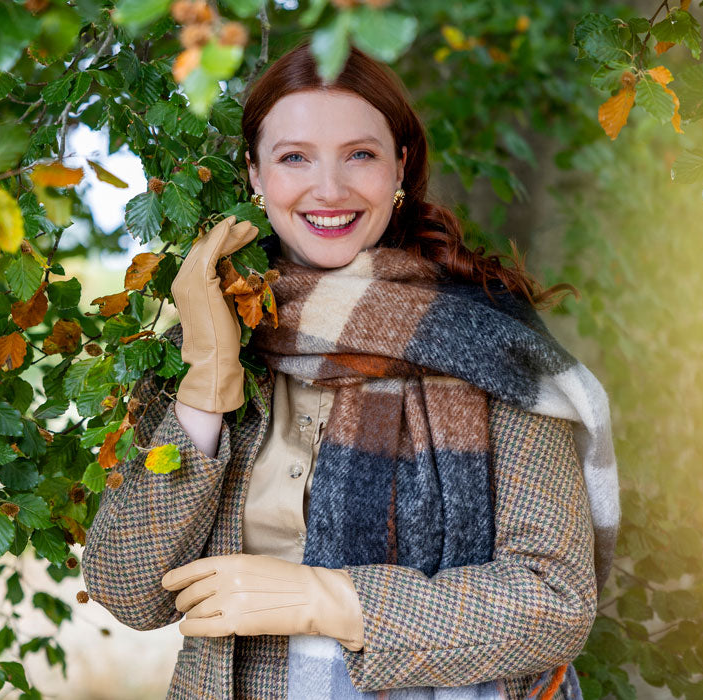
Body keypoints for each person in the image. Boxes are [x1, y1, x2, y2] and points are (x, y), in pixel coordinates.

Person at [82, 40, 619, 700]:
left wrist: (328, 599)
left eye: (359, 155)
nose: (329, 189)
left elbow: (557, 601)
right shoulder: (210, 338)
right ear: (255, 173)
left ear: (400, 163)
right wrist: (208, 378)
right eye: (294, 157)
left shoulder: (486, 342)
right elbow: (128, 589)